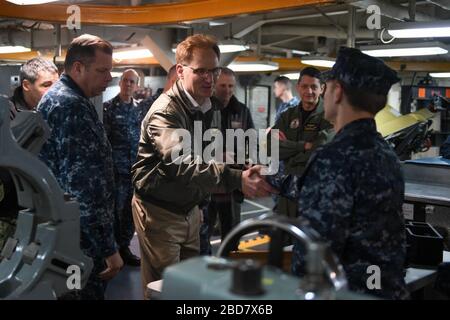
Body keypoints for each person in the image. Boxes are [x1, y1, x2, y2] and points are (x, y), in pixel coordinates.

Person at [131, 34, 276, 298]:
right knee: (166, 289)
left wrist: (243, 167)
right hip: (160, 212)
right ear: (180, 70)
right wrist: (237, 179)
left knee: (189, 287)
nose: (209, 78)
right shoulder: (165, 111)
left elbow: (206, 156)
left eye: (214, 70)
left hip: (190, 209)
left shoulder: (206, 107)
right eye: (201, 71)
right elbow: (184, 163)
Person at [271, 47, 409, 299]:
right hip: (384, 288)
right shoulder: (385, 152)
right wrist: (274, 179)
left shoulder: (334, 157)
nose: (321, 93)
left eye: (327, 85)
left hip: (348, 291)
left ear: (337, 92)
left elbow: (315, 252)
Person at [37, 34, 123, 300]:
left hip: (63, 231)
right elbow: (83, 188)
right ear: (77, 68)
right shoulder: (71, 106)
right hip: (81, 241)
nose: (109, 78)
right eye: (102, 70)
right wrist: (108, 248)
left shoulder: (57, 98)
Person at [1, 58, 59, 252]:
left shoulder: (56, 112)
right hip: (12, 211)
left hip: (45, 207)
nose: (53, 91)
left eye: (56, 85)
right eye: (46, 85)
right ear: (26, 85)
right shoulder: (8, 115)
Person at [271, 67, 333, 218]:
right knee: (284, 236)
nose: (309, 91)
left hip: (316, 191)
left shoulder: (330, 115)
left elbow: (320, 150)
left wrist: (289, 154)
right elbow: (270, 147)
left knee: (310, 238)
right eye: (305, 86)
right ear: (298, 87)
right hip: (288, 191)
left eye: (314, 87)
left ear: (322, 88)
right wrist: (303, 146)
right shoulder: (287, 115)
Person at [206, 67, 255, 246]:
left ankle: (230, 270)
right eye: (222, 85)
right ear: (213, 85)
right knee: (203, 233)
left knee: (232, 233)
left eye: (230, 86)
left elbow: (251, 141)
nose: (227, 90)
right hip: (207, 181)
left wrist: (249, 161)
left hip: (233, 182)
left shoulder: (242, 111)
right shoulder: (204, 110)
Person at [103, 69, 145, 266]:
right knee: (114, 212)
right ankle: (110, 250)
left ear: (137, 86)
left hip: (134, 172)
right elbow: (104, 142)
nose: (128, 85)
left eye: (132, 82)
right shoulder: (108, 109)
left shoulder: (140, 109)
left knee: (129, 212)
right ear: (120, 83)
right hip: (115, 172)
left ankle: (124, 247)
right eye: (126, 81)